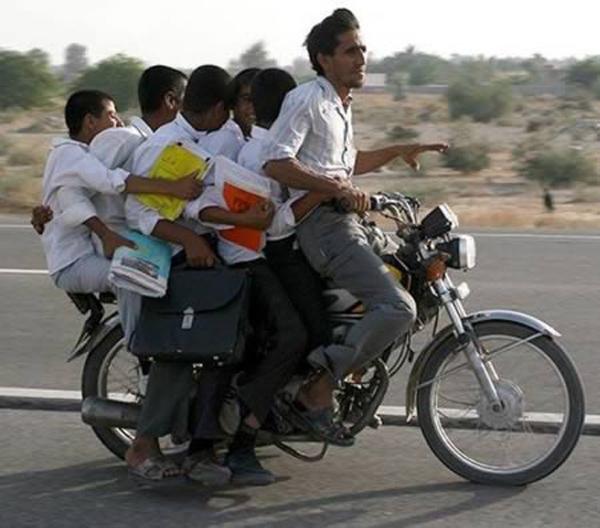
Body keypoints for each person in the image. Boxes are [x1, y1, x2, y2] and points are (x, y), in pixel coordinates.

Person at [261, 8, 448, 435]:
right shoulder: (308, 100)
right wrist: (334, 188)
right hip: (323, 228)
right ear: (324, 59)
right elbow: (276, 162)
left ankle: (355, 379)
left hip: (350, 220)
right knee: (398, 308)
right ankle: (319, 388)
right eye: (350, 51)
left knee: (419, 274)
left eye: (363, 49)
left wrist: (398, 150)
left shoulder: (340, 104)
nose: (361, 58)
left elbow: (346, 164)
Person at [126, 64, 301, 486]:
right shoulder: (166, 146)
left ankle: (208, 441)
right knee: (183, 348)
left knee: (225, 343)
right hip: (174, 258)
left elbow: (204, 199)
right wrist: (190, 239)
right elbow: (138, 211)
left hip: (206, 253)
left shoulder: (204, 140)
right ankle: (144, 445)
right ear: (221, 107)